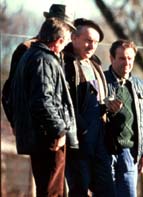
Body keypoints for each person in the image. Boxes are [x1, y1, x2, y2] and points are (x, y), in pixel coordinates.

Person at [10, 18, 78, 197]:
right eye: (65, 42)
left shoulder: (30, 56)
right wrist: (60, 131)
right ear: (58, 41)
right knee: (52, 191)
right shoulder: (44, 60)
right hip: (48, 140)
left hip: (39, 137)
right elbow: (42, 101)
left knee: (48, 189)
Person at [63, 18, 115, 197]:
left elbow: (100, 99)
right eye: (88, 40)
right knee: (79, 190)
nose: (92, 45)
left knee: (107, 190)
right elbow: (63, 102)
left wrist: (109, 107)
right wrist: (81, 129)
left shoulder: (95, 64)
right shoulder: (65, 64)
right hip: (77, 141)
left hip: (99, 138)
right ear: (74, 38)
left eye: (95, 42)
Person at [2, 3, 76, 126]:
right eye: (63, 26)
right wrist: (15, 123)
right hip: (31, 126)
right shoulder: (27, 48)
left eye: (68, 28)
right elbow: (11, 90)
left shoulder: (63, 53)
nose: (65, 31)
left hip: (56, 126)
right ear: (50, 22)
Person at [104, 39, 143, 197]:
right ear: (111, 59)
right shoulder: (100, 81)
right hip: (104, 152)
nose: (127, 62)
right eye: (122, 58)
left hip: (129, 153)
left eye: (130, 58)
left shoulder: (141, 85)